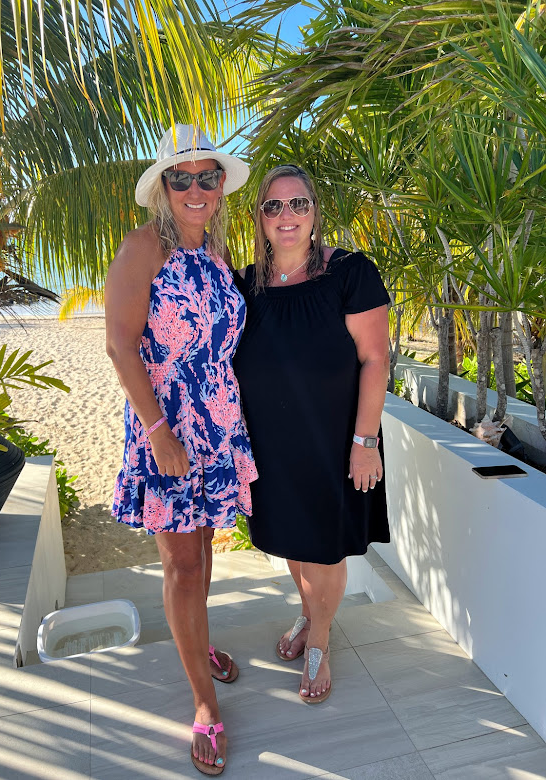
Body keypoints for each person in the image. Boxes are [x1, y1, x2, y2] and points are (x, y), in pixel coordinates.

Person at [105, 124, 257, 776]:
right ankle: (202, 701)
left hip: (216, 425)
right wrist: (158, 431)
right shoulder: (142, 247)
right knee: (182, 566)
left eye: (207, 177)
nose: (195, 189)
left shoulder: (217, 253)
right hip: (165, 427)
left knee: (202, 549)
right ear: (163, 188)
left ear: (220, 187)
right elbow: (119, 344)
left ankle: (199, 644)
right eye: (181, 178)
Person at [233, 164, 390, 704]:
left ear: (315, 212)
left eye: (298, 203)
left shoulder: (349, 273)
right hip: (271, 445)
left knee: (324, 548)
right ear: (260, 218)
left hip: (335, 443)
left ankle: (320, 637)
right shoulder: (246, 285)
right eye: (274, 205)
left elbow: (375, 360)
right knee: (294, 539)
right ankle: (307, 613)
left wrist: (364, 444)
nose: (287, 215)